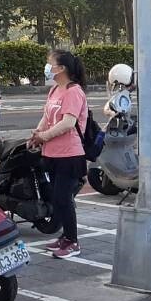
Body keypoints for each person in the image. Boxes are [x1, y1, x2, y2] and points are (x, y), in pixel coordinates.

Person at [29, 49, 89, 259]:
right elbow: (46, 117)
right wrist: (37, 134)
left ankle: (73, 241)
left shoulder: (74, 91)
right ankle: (65, 237)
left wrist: (44, 136)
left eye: (50, 63)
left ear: (62, 68)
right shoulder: (55, 90)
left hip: (69, 154)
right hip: (52, 154)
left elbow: (68, 123)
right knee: (56, 197)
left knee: (64, 198)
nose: (48, 67)